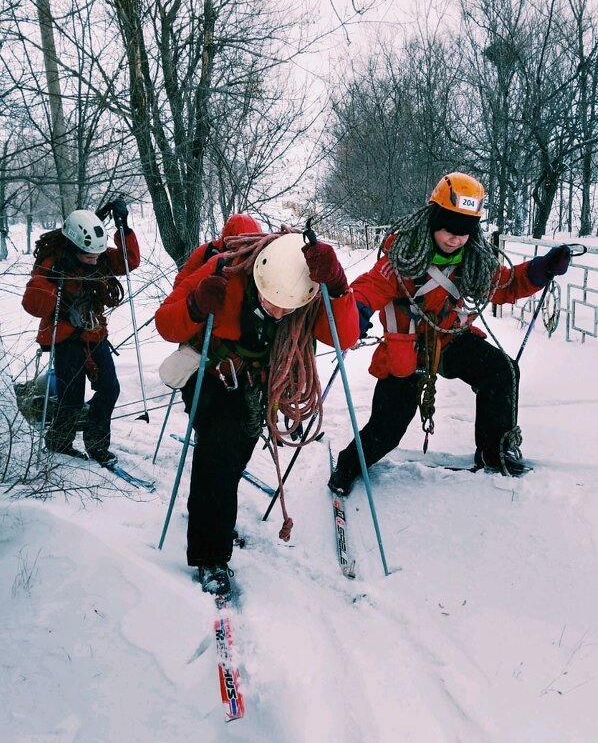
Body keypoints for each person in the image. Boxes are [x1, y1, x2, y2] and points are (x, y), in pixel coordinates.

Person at [328, 171, 572, 495]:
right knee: (388, 429)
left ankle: (494, 451)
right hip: (408, 345)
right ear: (434, 218)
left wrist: (540, 270)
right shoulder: (403, 256)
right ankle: (348, 466)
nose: (456, 238)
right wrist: (356, 310)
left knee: (501, 370)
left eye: (465, 231)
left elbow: (506, 284)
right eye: (449, 228)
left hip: (449, 338)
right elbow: (370, 286)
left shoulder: (472, 259)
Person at [155, 230, 359, 596]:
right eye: (272, 302)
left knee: (232, 457)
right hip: (210, 374)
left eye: (288, 307)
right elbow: (167, 323)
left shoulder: (305, 287)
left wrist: (339, 288)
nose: (280, 312)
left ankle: (215, 515)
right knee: (218, 449)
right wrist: (197, 306)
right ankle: (210, 556)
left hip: (256, 386)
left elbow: (344, 337)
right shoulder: (221, 271)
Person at [22, 200, 140, 465]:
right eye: (89, 257)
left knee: (109, 388)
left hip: (95, 333)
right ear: (75, 247)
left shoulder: (97, 256)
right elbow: (33, 304)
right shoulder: (53, 261)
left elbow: (129, 261)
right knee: (71, 396)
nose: (94, 261)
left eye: (97, 256)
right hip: (65, 337)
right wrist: (53, 279)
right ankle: (59, 441)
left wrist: (124, 229)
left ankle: (97, 443)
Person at [172, 213, 262, 289]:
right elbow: (180, 284)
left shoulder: (258, 259)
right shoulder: (206, 252)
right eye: (243, 244)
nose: (246, 250)